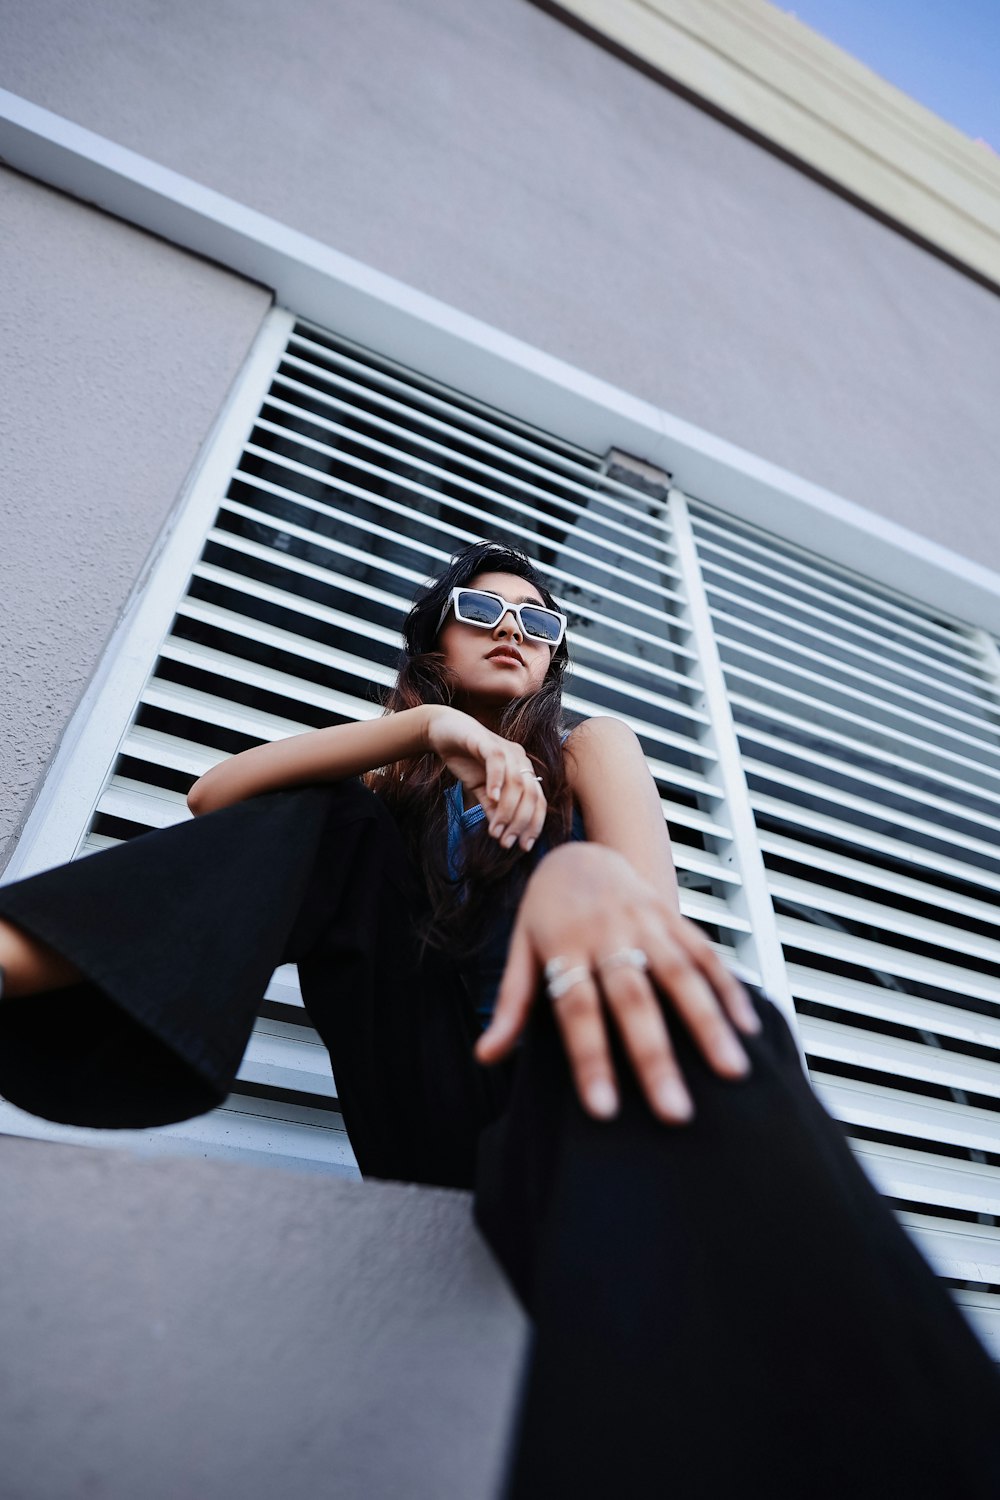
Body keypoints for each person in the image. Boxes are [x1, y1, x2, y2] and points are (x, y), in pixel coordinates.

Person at [0, 538, 997, 1497]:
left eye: (537, 619)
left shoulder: (590, 746)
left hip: (571, 1084)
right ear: (435, 643)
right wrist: (424, 731)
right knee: (323, 809)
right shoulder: (392, 788)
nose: (512, 628)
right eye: (480, 610)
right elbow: (211, 794)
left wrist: (574, 873)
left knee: (715, 1016)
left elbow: (647, 925)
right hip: (424, 1093)